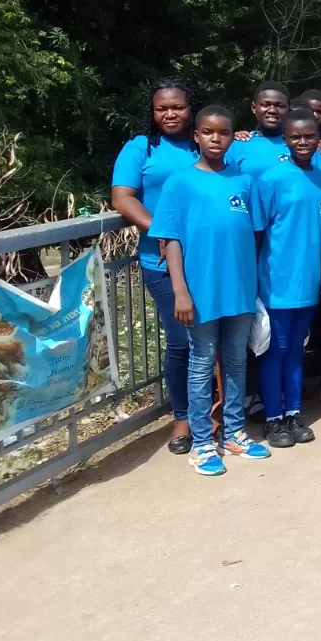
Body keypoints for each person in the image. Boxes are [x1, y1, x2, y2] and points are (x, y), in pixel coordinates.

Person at [148, 105, 271, 476]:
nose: (216, 139)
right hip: (200, 293)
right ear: (196, 136)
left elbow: (254, 236)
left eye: (224, 132)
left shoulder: (244, 182)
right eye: (208, 132)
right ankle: (202, 442)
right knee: (201, 364)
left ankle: (233, 433)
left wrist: (249, 282)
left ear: (233, 137)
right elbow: (170, 240)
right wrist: (180, 291)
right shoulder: (180, 183)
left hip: (239, 291)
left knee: (235, 362)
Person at [111, 78, 202, 454]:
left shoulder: (206, 140)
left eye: (177, 107)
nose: (169, 114)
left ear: (191, 109)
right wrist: (161, 229)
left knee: (214, 338)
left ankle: (214, 412)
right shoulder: (140, 147)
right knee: (181, 341)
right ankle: (182, 418)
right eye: (161, 108)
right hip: (160, 261)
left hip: (208, 261)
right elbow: (123, 198)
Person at [251, 108, 321, 449]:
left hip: (308, 282)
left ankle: (294, 412)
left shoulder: (320, 177)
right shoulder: (271, 179)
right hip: (276, 281)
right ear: (284, 139)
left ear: (318, 137)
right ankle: (273, 417)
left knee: (296, 350)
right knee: (276, 350)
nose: (303, 141)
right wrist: (252, 282)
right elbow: (257, 234)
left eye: (309, 135)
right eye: (295, 136)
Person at [227, 81, 291, 178]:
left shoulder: (300, 144)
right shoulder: (238, 145)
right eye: (265, 105)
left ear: (288, 110)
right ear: (253, 107)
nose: (272, 110)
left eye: (280, 106)